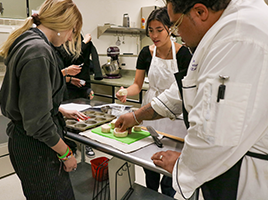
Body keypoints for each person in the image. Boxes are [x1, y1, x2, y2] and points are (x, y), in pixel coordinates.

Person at [116, 0, 268, 199]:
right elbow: (181, 91)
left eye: (176, 25)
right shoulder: (219, 33)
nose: (177, 33)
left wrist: (183, 165)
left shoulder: (238, 37)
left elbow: (215, 133)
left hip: (246, 175)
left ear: (200, 12)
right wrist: (135, 116)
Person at [0, 0, 83, 199]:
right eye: (73, 31)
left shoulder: (28, 41)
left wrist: (58, 109)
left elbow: (27, 99)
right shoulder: (39, 52)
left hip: (25, 141)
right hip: (36, 148)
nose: (71, 38)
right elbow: (37, 123)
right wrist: (66, 154)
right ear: (64, 25)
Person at [115, 7, 191, 197]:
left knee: (168, 169)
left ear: (170, 29)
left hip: (176, 116)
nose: (154, 35)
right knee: (149, 162)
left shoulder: (183, 54)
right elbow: (137, 85)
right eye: (150, 30)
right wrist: (125, 91)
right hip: (150, 111)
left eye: (159, 29)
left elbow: (185, 92)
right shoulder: (146, 53)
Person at [56, 33, 102, 157]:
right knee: (66, 119)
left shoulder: (83, 41)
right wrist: (70, 78)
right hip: (65, 87)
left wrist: (89, 87)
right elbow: (59, 70)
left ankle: (87, 144)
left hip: (81, 86)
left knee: (84, 115)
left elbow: (89, 64)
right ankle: (70, 146)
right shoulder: (60, 46)